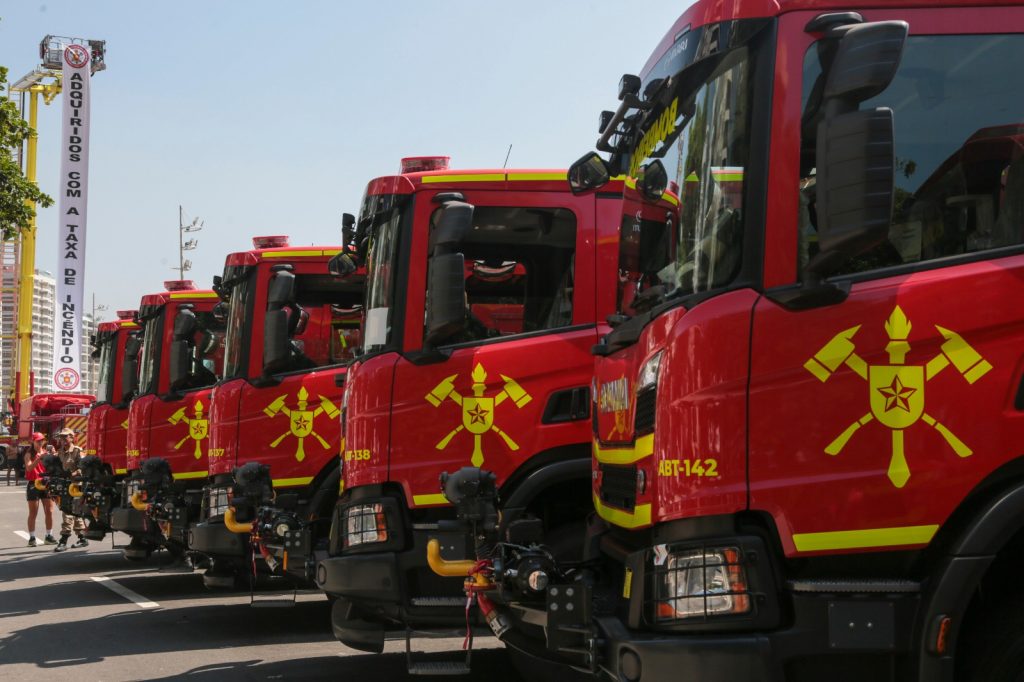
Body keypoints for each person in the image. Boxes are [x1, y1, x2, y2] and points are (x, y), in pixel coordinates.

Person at [54, 427, 87, 552]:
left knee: (70, 512)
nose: (62, 439)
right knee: (71, 511)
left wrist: (73, 473)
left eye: (65, 436)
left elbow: (82, 468)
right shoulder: (60, 452)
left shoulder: (78, 451)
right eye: (61, 437)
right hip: (65, 485)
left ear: (72, 437)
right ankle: (82, 538)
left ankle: (63, 540)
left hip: (76, 486)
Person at [24, 432, 56, 547]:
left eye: (41, 440)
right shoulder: (29, 454)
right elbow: (29, 468)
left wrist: (53, 455)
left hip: (46, 483)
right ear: (33, 442)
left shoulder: (47, 452)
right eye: (37, 441)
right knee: (33, 512)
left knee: (50, 511)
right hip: (34, 484)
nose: (40, 443)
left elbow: (54, 466)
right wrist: (38, 459)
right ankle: (32, 538)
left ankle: (49, 535)